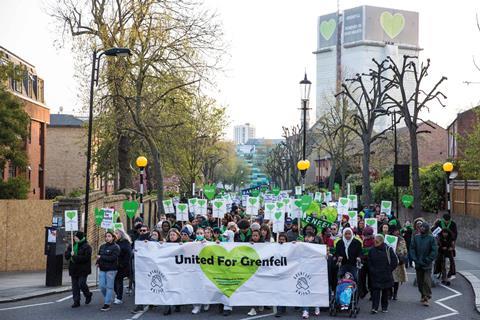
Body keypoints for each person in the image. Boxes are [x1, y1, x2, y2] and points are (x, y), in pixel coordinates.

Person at [368, 234, 398, 314]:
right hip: (375, 274)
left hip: (386, 274)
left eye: (377, 242)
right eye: (374, 241)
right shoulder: (371, 250)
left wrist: (389, 270)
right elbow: (369, 262)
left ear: (381, 241)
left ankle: (384, 307)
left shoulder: (388, 249)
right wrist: (372, 270)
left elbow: (395, 261)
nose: (375, 243)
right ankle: (374, 308)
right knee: (375, 292)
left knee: (385, 292)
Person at [410, 222, 438, 306]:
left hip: (427, 263)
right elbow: (412, 248)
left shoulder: (431, 238)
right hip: (418, 262)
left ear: (427, 229)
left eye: (423, 228)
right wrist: (415, 259)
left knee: (426, 280)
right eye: (421, 227)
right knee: (420, 281)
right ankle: (422, 295)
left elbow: (434, 251)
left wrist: (428, 259)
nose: (422, 229)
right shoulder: (416, 238)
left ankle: (426, 297)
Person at [64, 231, 93, 308]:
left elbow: (86, 258)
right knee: (75, 286)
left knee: (81, 283)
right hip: (74, 269)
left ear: (80, 238)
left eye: (76, 237)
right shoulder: (72, 246)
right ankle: (76, 301)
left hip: (83, 269)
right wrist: (70, 254)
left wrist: (74, 257)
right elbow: (66, 255)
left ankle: (88, 294)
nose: (74, 238)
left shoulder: (87, 247)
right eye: (74, 237)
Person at [97, 231, 120, 311]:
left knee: (109, 287)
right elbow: (98, 256)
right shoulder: (102, 246)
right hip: (102, 269)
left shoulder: (116, 247)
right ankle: (108, 298)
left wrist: (102, 257)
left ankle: (107, 304)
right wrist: (98, 262)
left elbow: (112, 258)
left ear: (113, 237)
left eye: (109, 236)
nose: (107, 238)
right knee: (102, 286)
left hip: (111, 269)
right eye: (106, 236)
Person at [302, 232, 321, 318]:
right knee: (305, 290)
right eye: (306, 236)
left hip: (315, 269)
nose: (307, 238)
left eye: (309, 237)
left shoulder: (317, 246)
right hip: (305, 269)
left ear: (313, 238)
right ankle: (305, 310)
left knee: (315, 288)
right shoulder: (301, 245)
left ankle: (317, 306)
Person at [247, 229, 265, 316]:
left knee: (260, 288)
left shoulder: (264, 244)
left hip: (261, 270)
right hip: (251, 270)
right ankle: (253, 308)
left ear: (259, 236)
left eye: (256, 235)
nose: (254, 237)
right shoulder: (249, 244)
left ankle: (261, 303)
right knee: (252, 289)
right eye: (253, 235)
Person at [113, 229, 132, 305]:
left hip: (123, 265)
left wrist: (122, 264)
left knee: (119, 281)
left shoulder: (126, 242)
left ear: (121, 234)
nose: (115, 235)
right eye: (115, 233)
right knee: (115, 281)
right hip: (115, 265)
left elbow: (128, 254)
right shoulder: (115, 242)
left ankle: (119, 297)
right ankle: (117, 294)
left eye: (117, 233)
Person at [391, 227, 407, 300]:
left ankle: (395, 294)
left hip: (398, 261)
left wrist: (402, 255)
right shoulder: (389, 238)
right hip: (390, 261)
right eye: (394, 231)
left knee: (396, 279)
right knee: (390, 277)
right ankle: (389, 292)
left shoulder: (402, 240)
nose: (396, 233)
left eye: (397, 231)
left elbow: (404, 250)